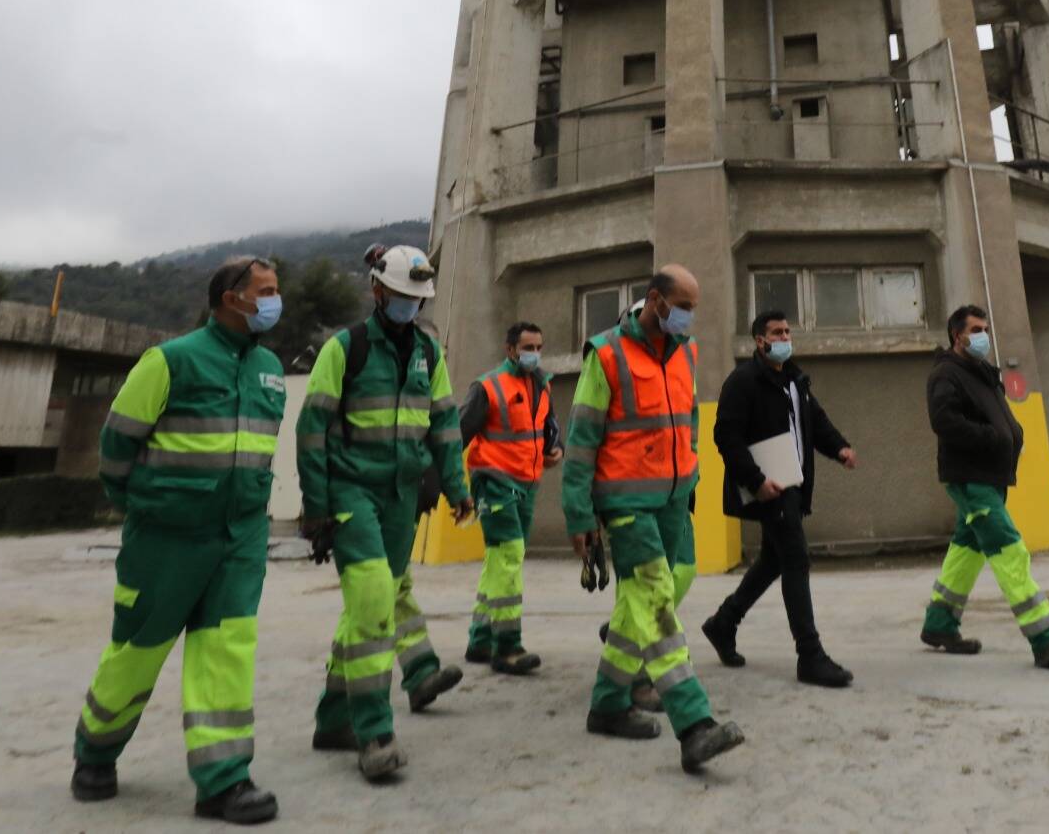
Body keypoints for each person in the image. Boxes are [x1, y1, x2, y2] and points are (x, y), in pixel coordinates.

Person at [71, 256, 286, 825]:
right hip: (166, 538)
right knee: (137, 653)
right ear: (230, 298)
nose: (273, 300)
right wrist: (145, 505)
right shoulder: (169, 361)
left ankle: (223, 782)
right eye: (264, 291)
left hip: (240, 538)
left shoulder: (269, 368)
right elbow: (116, 448)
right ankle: (94, 752)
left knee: (226, 654)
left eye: (276, 291)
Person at [296, 245, 474, 783]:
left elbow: (444, 424)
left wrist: (456, 486)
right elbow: (312, 431)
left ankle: (332, 719)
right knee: (374, 596)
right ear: (377, 291)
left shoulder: (428, 353)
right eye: (401, 297)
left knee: (367, 608)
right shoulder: (343, 349)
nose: (410, 308)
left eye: (417, 301)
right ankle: (374, 731)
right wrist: (318, 507)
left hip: (401, 496)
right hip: (353, 489)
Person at [562, 264, 746, 774]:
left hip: (670, 498)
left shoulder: (685, 350)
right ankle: (695, 725)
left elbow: (686, 420)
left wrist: (689, 479)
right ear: (655, 300)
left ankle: (606, 705)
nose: (688, 317)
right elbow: (580, 442)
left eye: (693, 308)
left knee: (634, 608)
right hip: (624, 502)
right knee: (656, 598)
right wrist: (579, 514)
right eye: (682, 306)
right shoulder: (606, 355)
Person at [920, 305, 1049, 669]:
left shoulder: (981, 372)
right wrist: (994, 439)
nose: (984, 336)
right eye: (977, 329)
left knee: (966, 552)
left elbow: (999, 419)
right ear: (958, 336)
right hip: (971, 478)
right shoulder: (946, 374)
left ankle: (939, 624)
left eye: (986, 329)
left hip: (991, 477)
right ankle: (1047, 639)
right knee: (1009, 550)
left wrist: (1011, 437)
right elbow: (945, 421)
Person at [698, 311, 857, 687]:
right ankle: (810, 655)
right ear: (759, 340)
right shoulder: (743, 381)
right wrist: (755, 481)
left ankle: (724, 623)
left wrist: (840, 449)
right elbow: (726, 436)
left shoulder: (794, 380)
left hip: (793, 483)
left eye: (787, 331)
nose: (785, 337)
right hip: (770, 486)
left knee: (773, 559)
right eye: (777, 332)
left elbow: (815, 422)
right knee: (796, 558)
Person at [460, 321, 562, 674]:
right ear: (510, 350)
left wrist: (556, 450)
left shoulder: (542, 385)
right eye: (527, 348)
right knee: (509, 555)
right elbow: (458, 433)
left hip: (527, 484)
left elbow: (550, 429)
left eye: (539, 347)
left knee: (499, 560)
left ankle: (480, 639)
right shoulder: (488, 386)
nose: (534, 354)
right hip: (494, 481)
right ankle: (507, 646)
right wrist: (450, 486)